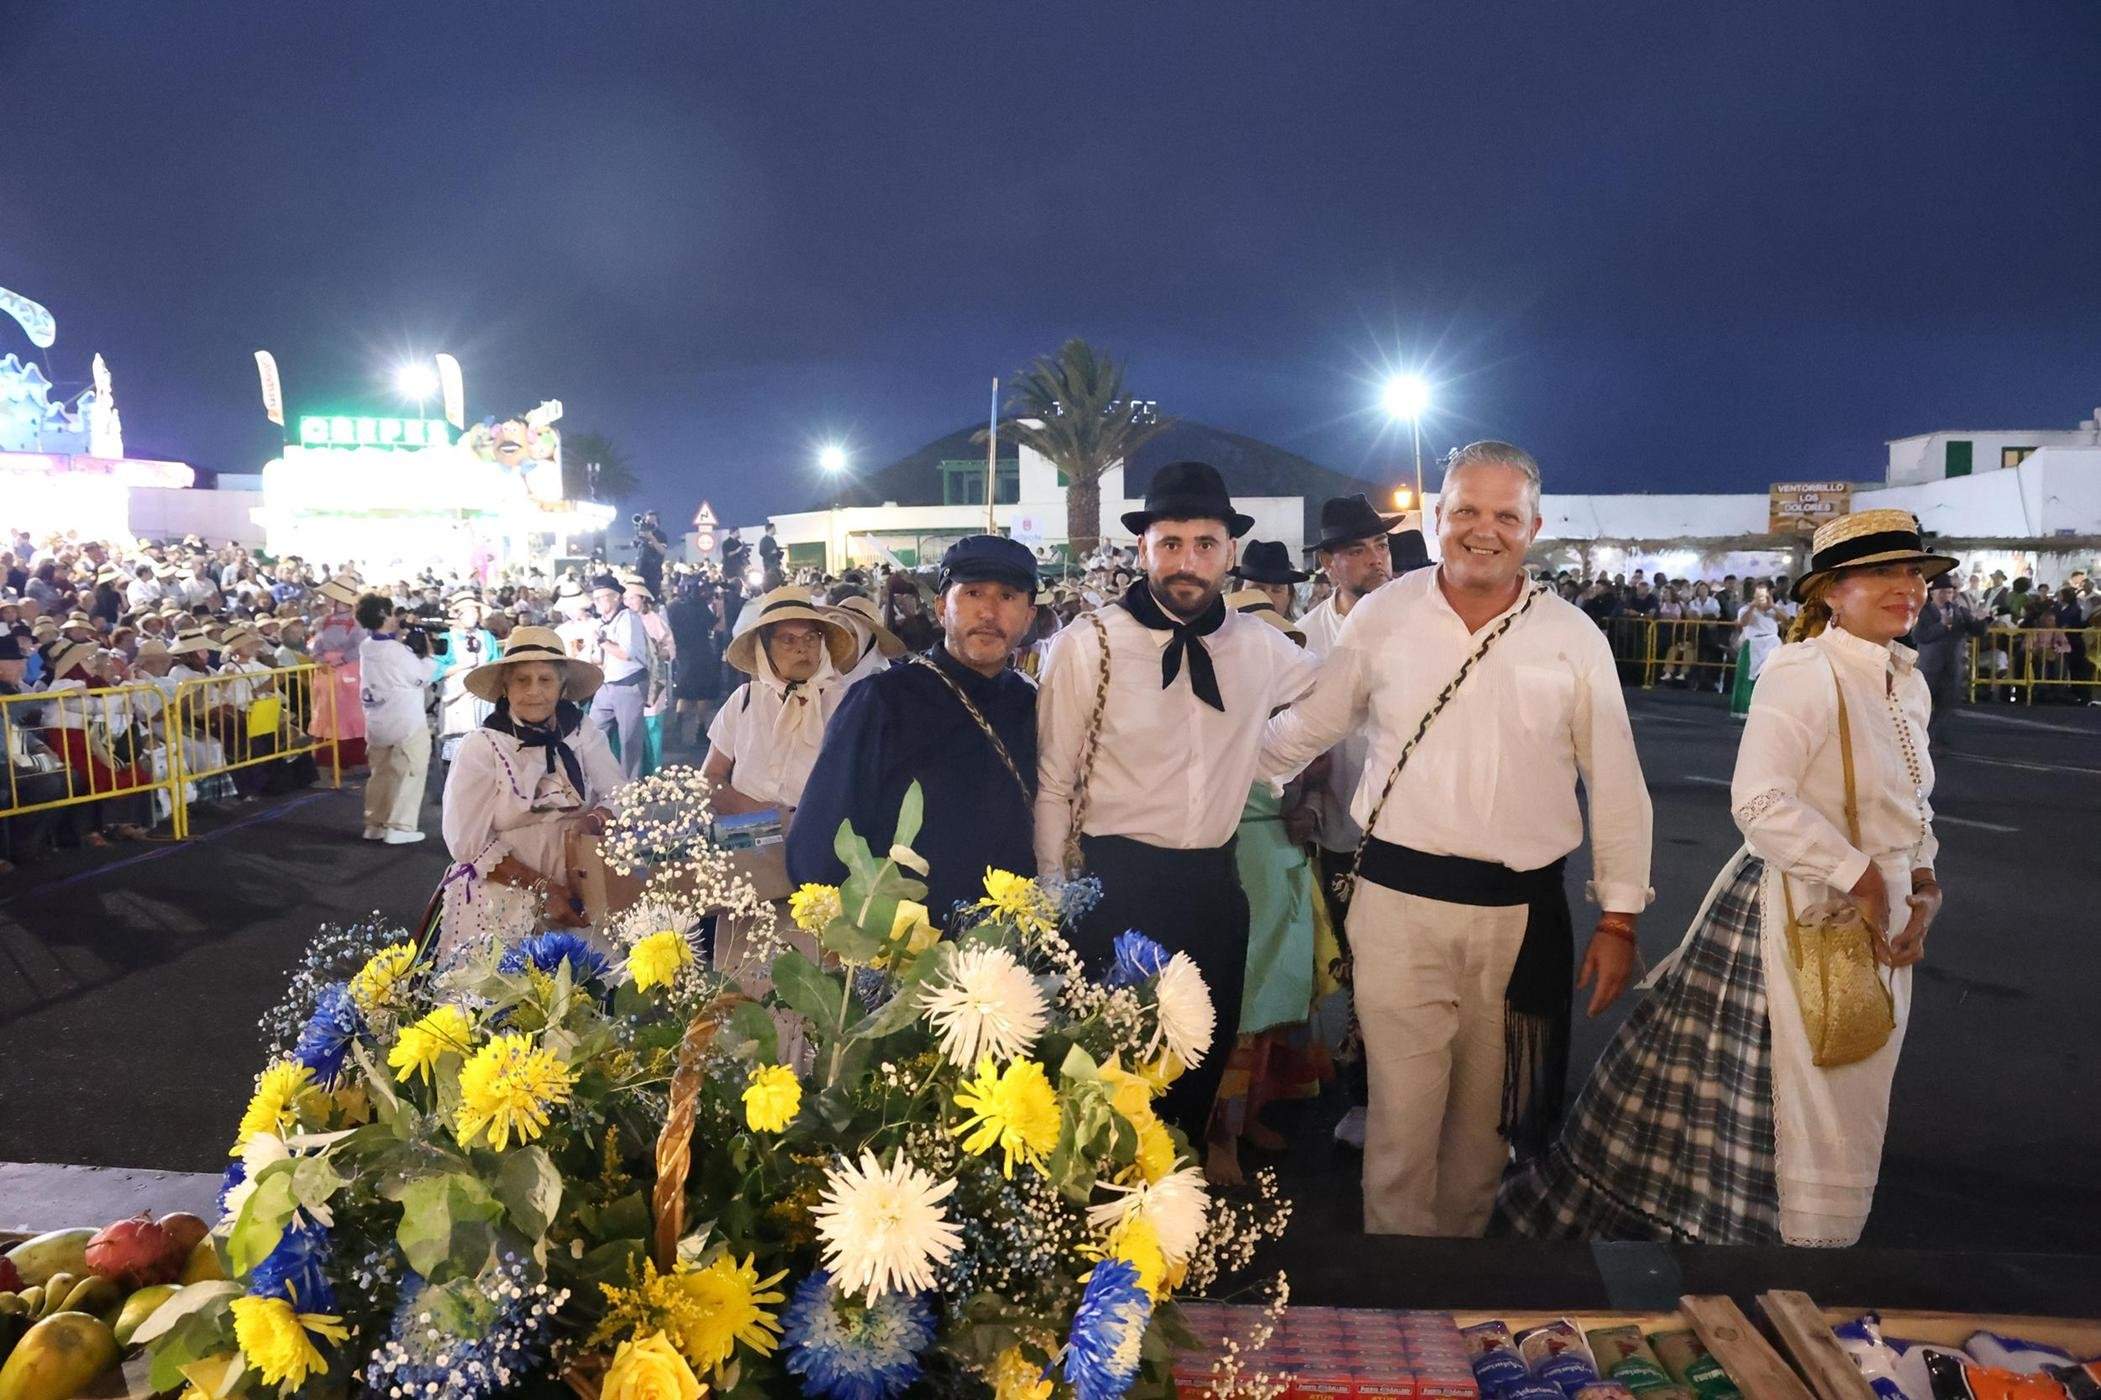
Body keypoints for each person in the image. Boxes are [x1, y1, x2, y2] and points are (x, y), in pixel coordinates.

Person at [1499, 509, 1949, 1246]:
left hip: (1877, 915)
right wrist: (1864, 879)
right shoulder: (1805, 670)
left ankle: (1801, 1261)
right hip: (1799, 912)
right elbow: (1759, 802)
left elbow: (1912, 804)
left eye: (1914, 574)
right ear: (1831, 592)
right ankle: (1772, 1274)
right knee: (1790, 1112)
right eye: (1882, 574)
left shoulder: (1905, 680)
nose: (1906, 588)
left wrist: (1923, 888)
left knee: (1841, 1101)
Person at [1260, 441, 1653, 1237]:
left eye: (1504, 515)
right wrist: (1200, 772)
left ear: (1532, 528)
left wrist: (1618, 918)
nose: (1484, 530)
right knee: (1402, 1122)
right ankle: (1398, 1305)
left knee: (1484, 1132)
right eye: (1466, 510)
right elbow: (1311, 725)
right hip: (1397, 908)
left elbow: (1615, 780)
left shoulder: (1573, 637)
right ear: (1437, 518)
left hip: (1519, 920)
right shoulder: (1384, 615)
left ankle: (1458, 1290)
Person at [1035, 460, 1319, 1143]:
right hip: (1116, 885)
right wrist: (1052, 898)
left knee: (1197, 1062)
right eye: (1169, 544)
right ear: (1142, 550)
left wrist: (1265, 758)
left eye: (1203, 544)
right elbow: (1053, 780)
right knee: (1109, 1076)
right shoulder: (1087, 645)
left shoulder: (1260, 645)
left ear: (1228, 553)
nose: (1186, 561)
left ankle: (1176, 1208)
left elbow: (1328, 703)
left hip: (1214, 886)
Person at [790, 536, 1040, 921]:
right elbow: (820, 845)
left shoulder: (1033, 706)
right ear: (942, 608)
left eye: (1007, 596)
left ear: (1028, 617)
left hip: (1016, 948)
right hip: (904, 957)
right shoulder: (882, 702)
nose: (989, 612)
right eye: (973, 593)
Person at [1212, 589, 1333, 1185]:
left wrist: (1309, 801)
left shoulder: (1287, 716)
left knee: (1277, 1000)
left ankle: (1251, 1111)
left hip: (1281, 858)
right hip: (1241, 861)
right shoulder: (1214, 713)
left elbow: (1316, 766)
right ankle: (1220, 1135)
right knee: (1242, 1002)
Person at [1296, 493, 1402, 1150]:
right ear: (1329, 564)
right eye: (1358, 551)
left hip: (1417, 829)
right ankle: (1366, 1095)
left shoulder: (1421, 619)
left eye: (1380, 547)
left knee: (1415, 966)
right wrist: (1303, 799)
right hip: (1341, 827)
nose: (1375, 560)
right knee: (1358, 967)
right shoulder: (1306, 638)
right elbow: (1297, 735)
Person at [437, 626, 623, 960]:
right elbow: (466, 843)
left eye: (545, 680)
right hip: (504, 893)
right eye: (522, 680)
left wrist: (594, 820)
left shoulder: (581, 731)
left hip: (580, 883)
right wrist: (544, 889)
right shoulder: (482, 746)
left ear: (562, 686)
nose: (534, 691)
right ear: (505, 688)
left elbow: (620, 793)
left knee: (594, 989)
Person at [702, 585, 857, 814]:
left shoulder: (847, 706)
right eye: (788, 640)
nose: (802, 649)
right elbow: (710, 776)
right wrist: (765, 815)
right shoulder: (744, 700)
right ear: (765, 648)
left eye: (811, 638)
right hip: (745, 837)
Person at [356, 593, 438, 844]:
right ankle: (400, 827)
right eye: (392, 613)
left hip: (377, 720)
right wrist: (429, 655)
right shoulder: (396, 652)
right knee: (410, 772)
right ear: (383, 616)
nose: (396, 618)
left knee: (381, 773)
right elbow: (421, 677)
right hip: (405, 722)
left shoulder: (366, 646)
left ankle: (375, 824)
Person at [586, 572, 650, 779]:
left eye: (601, 597)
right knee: (592, 732)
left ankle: (630, 789)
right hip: (605, 684)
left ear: (616, 597)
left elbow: (626, 653)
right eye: (594, 598)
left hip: (628, 685)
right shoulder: (600, 623)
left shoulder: (628, 618)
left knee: (629, 740)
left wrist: (602, 642)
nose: (596, 602)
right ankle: (599, 779)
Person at [1908, 576, 1975, 749]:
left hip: (1952, 667)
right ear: (1933, 593)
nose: (1946, 595)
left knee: (1946, 706)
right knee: (1923, 706)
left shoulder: (1960, 611)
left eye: (1950, 592)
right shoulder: (1923, 612)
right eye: (1943, 592)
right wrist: (1942, 626)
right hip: (1930, 667)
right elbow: (1919, 636)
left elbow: (1977, 630)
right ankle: (1919, 738)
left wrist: (1984, 620)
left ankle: (1937, 739)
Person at [435, 592, 499, 767]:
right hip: (458, 698)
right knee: (458, 754)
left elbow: (496, 664)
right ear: (457, 614)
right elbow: (435, 669)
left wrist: (484, 684)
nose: (473, 616)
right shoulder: (446, 638)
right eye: (468, 612)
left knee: (487, 747)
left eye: (475, 611)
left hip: (483, 696)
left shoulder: (486, 637)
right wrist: (462, 665)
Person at [824, 592, 907, 694]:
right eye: (832, 634)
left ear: (866, 644)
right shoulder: (818, 677)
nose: (836, 642)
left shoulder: (882, 687)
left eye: (849, 635)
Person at [1728, 582, 1784, 720]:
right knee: (1747, 677)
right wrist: (1753, 606)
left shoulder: (1774, 610)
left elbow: (1787, 620)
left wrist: (1773, 607)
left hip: (1772, 644)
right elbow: (1744, 623)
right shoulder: (1746, 609)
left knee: (1773, 677)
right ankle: (1744, 710)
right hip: (1754, 643)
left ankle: (1770, 708)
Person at [1228, 540, 1312, 618]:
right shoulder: (1219, 633)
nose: (1267, 597)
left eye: (1277, 590)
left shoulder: (1300, 633)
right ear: (1238, 591)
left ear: (1289, 598)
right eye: (1257, 589)